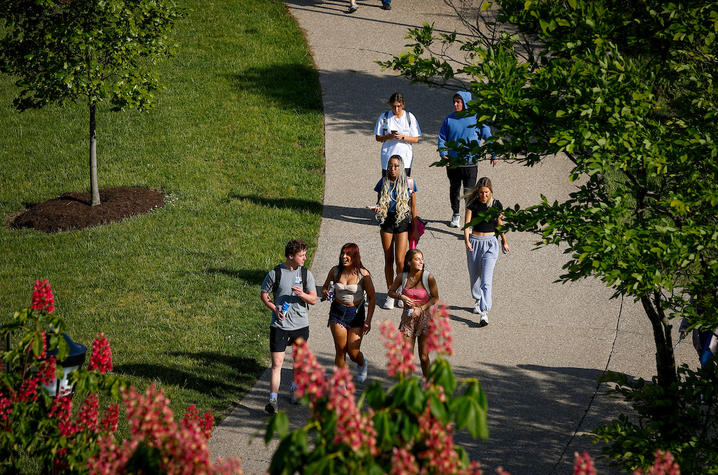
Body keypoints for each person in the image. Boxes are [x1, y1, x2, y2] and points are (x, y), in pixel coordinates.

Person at [260, 239, 317, 414]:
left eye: (305, 255)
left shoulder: (306, 274)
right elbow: (264, 294)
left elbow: (313, 299)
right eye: (301, 255)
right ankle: (273, 400)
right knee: (277, 363)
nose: (304, 258)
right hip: (280, 325)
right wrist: (274, 308)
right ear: (291, 256)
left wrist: (302, 295)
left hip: (300, 325)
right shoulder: (275, 273)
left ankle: (294, 389)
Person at [438, 90, 496, 228]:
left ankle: (469, 222)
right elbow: (442, 138)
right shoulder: (449, 119)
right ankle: (456, 214)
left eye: (458, 102)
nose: (455, 104)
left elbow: (488, 137)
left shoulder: (476, 119)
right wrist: (443, 155)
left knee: (469, 193)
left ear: (465, 103)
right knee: (454, 189)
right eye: (454, 102)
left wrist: (494, 154)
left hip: (470, 163)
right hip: (453, 163)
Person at [321, 243, 376, 382]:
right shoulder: (335, 271)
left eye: (348, 254)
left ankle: (362, 363)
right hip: (337, 312)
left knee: (353, 352)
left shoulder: (363, 274)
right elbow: (325, 286)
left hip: (356, 314)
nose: (344, 257)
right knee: (340, 350)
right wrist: (325, 292)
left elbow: (372, 297)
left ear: (355, 256)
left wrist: (368, 321)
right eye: (342, 253)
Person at [372, 155, 418, 309]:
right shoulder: (383, 182)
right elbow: (380, 202)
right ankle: (390, 293)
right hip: (386, 221)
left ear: (401, 167)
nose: (392, 169)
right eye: (390, 166)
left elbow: (414, 208)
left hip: (402, 221)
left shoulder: (409, 183)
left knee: (400, 261)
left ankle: (400, 291)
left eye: (396, 166)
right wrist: (377, 208)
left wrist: (416, 228)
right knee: (388, 259)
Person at [464, 177, 509, 326]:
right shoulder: (472, 204)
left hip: (490, 244)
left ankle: (484, 313)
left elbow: (499, 224)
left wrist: (504, 240)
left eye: (487, 192)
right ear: (478, 192)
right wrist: (467, 241)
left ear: (491, 191)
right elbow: (466, 225)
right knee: (475, 276)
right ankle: (478, 299)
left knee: (486, 280)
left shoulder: (496, 205)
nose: (484, 195)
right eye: (482, 192)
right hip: (475, 242)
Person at [387, 249, 439, 377]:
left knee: (424, 356)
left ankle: (429, 385)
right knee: (407, 355)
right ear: (409, 262)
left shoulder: (428, 277)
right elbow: (390, 292)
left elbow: (435, 298)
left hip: (425, 318)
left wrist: (420, 309)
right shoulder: (402, 277)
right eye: (417, 259)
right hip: (408, 318)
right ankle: (407, 388)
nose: (421, 261)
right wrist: (401, 297)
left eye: (422, 259)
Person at [374, 92, 421, 177]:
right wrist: (388, 136)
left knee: (404, 185)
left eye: (398, 106)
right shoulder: (384, 117)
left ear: (403, 104)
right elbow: (378, 137)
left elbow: (416, 139)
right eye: (393, 106)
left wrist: (402, 137)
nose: (396, 109)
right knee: (387, 185)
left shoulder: (409, 117)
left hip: (405, 158)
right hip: (388, 157)